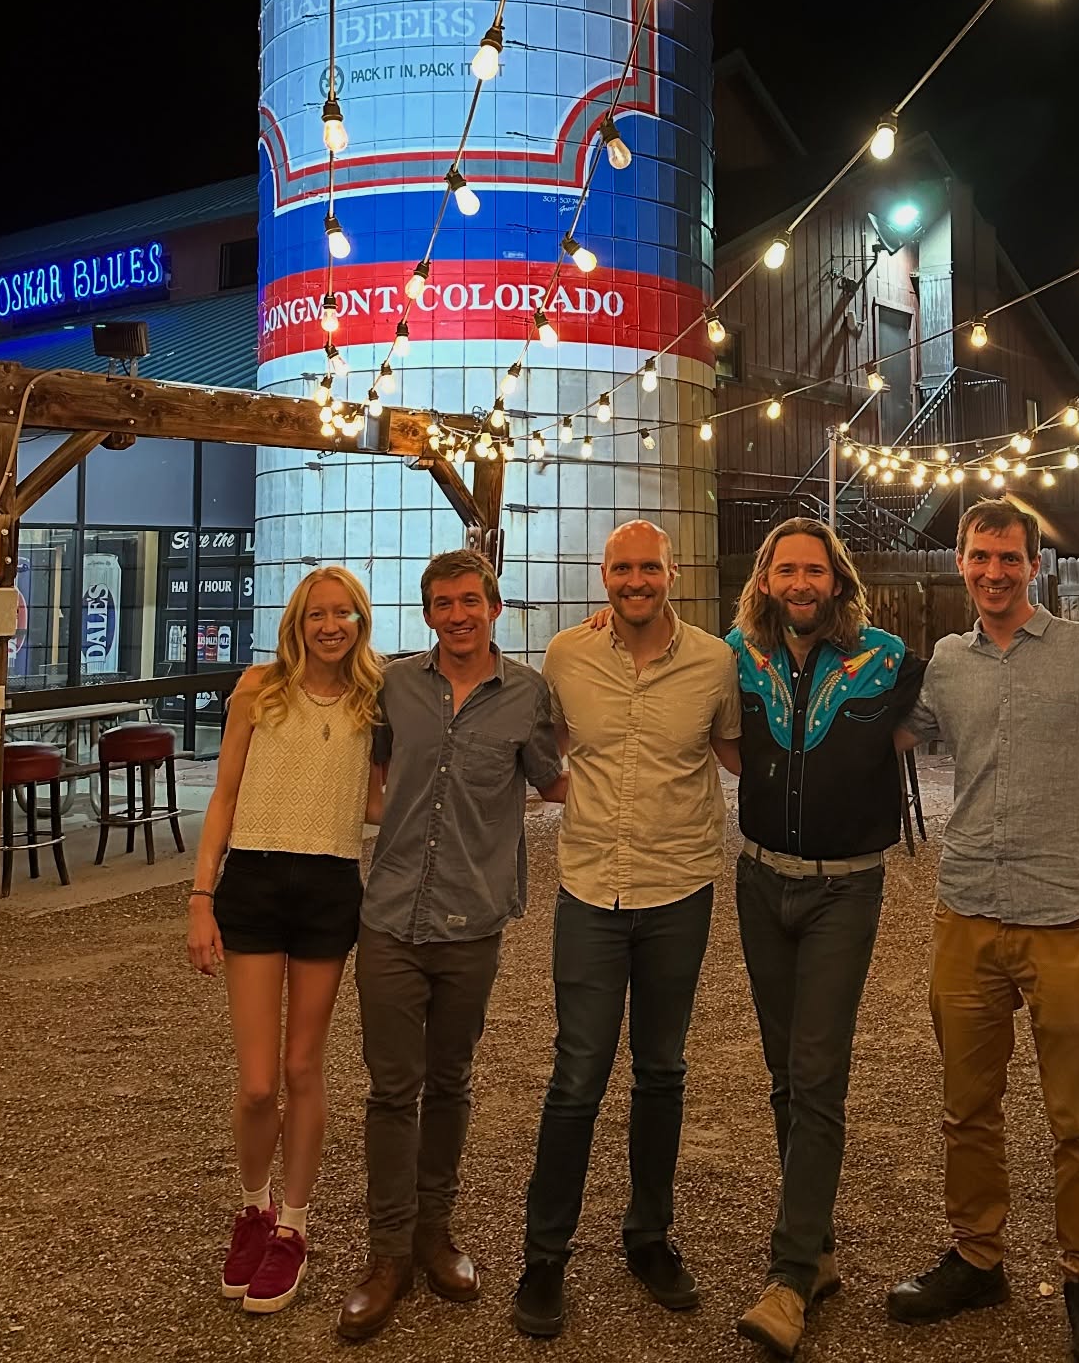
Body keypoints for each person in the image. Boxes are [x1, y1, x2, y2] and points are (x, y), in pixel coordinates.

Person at [887, 500, 1079, 1363]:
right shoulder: (944, 661)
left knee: (1078, 1117)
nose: (994, 573)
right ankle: (979, 1257)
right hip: (967, 908)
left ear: (1034, 565)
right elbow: (903, 735)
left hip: (1064, 914)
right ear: (962, 565)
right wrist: (840, 672)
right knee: (966, 1108)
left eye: (1009, 558)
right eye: (980, 558)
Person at [512, 520, 742, 1339]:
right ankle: (544, 1257)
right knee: (576, 1075)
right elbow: (547, 757)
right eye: (622, 569)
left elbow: (736, 756)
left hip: (679, 889)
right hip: (590, 891)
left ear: (670, 573)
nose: (636, 580)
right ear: (603, 576)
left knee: (662, 1070)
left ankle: (649, 1238)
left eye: (649, 567)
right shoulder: (566, 657)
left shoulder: (716, 663)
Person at [337, 550, 568, 1343]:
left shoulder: (529, 695)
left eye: (471, 601)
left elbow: (554, 783)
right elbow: (361, 772)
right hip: (391, 917)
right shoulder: (395, 686)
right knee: (390, 1089)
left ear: (494, 608)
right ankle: (387, 1253)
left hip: (472, 920)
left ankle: (435, 1233)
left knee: (452, 1080)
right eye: (443, 603)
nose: (458, 615)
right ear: (429, 614)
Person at [724, 517, 926, 1360]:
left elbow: (965, 729)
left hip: (846, 887)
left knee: (816, 1073)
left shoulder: (892, 662)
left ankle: (789, 1275)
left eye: (815, 570)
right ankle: (821, 1247)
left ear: (836, 579)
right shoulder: (736, 655)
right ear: (766, 579)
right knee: (783, 1074)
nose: (801, 583)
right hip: (759, 879)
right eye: (786, 570)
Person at [187, 566, 385, 1316]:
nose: (330, 626)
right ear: (298, 621)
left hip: (331, 885)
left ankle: (294, 1226)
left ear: (361, 623)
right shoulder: (259, 688)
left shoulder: (375, 699)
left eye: (344, 614)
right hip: (255, 883)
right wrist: (201, 897)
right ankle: (253, 1205)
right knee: (258, 1081)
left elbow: (372, 801)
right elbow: (225, 796)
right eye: (317, 615)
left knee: (305, 1066)